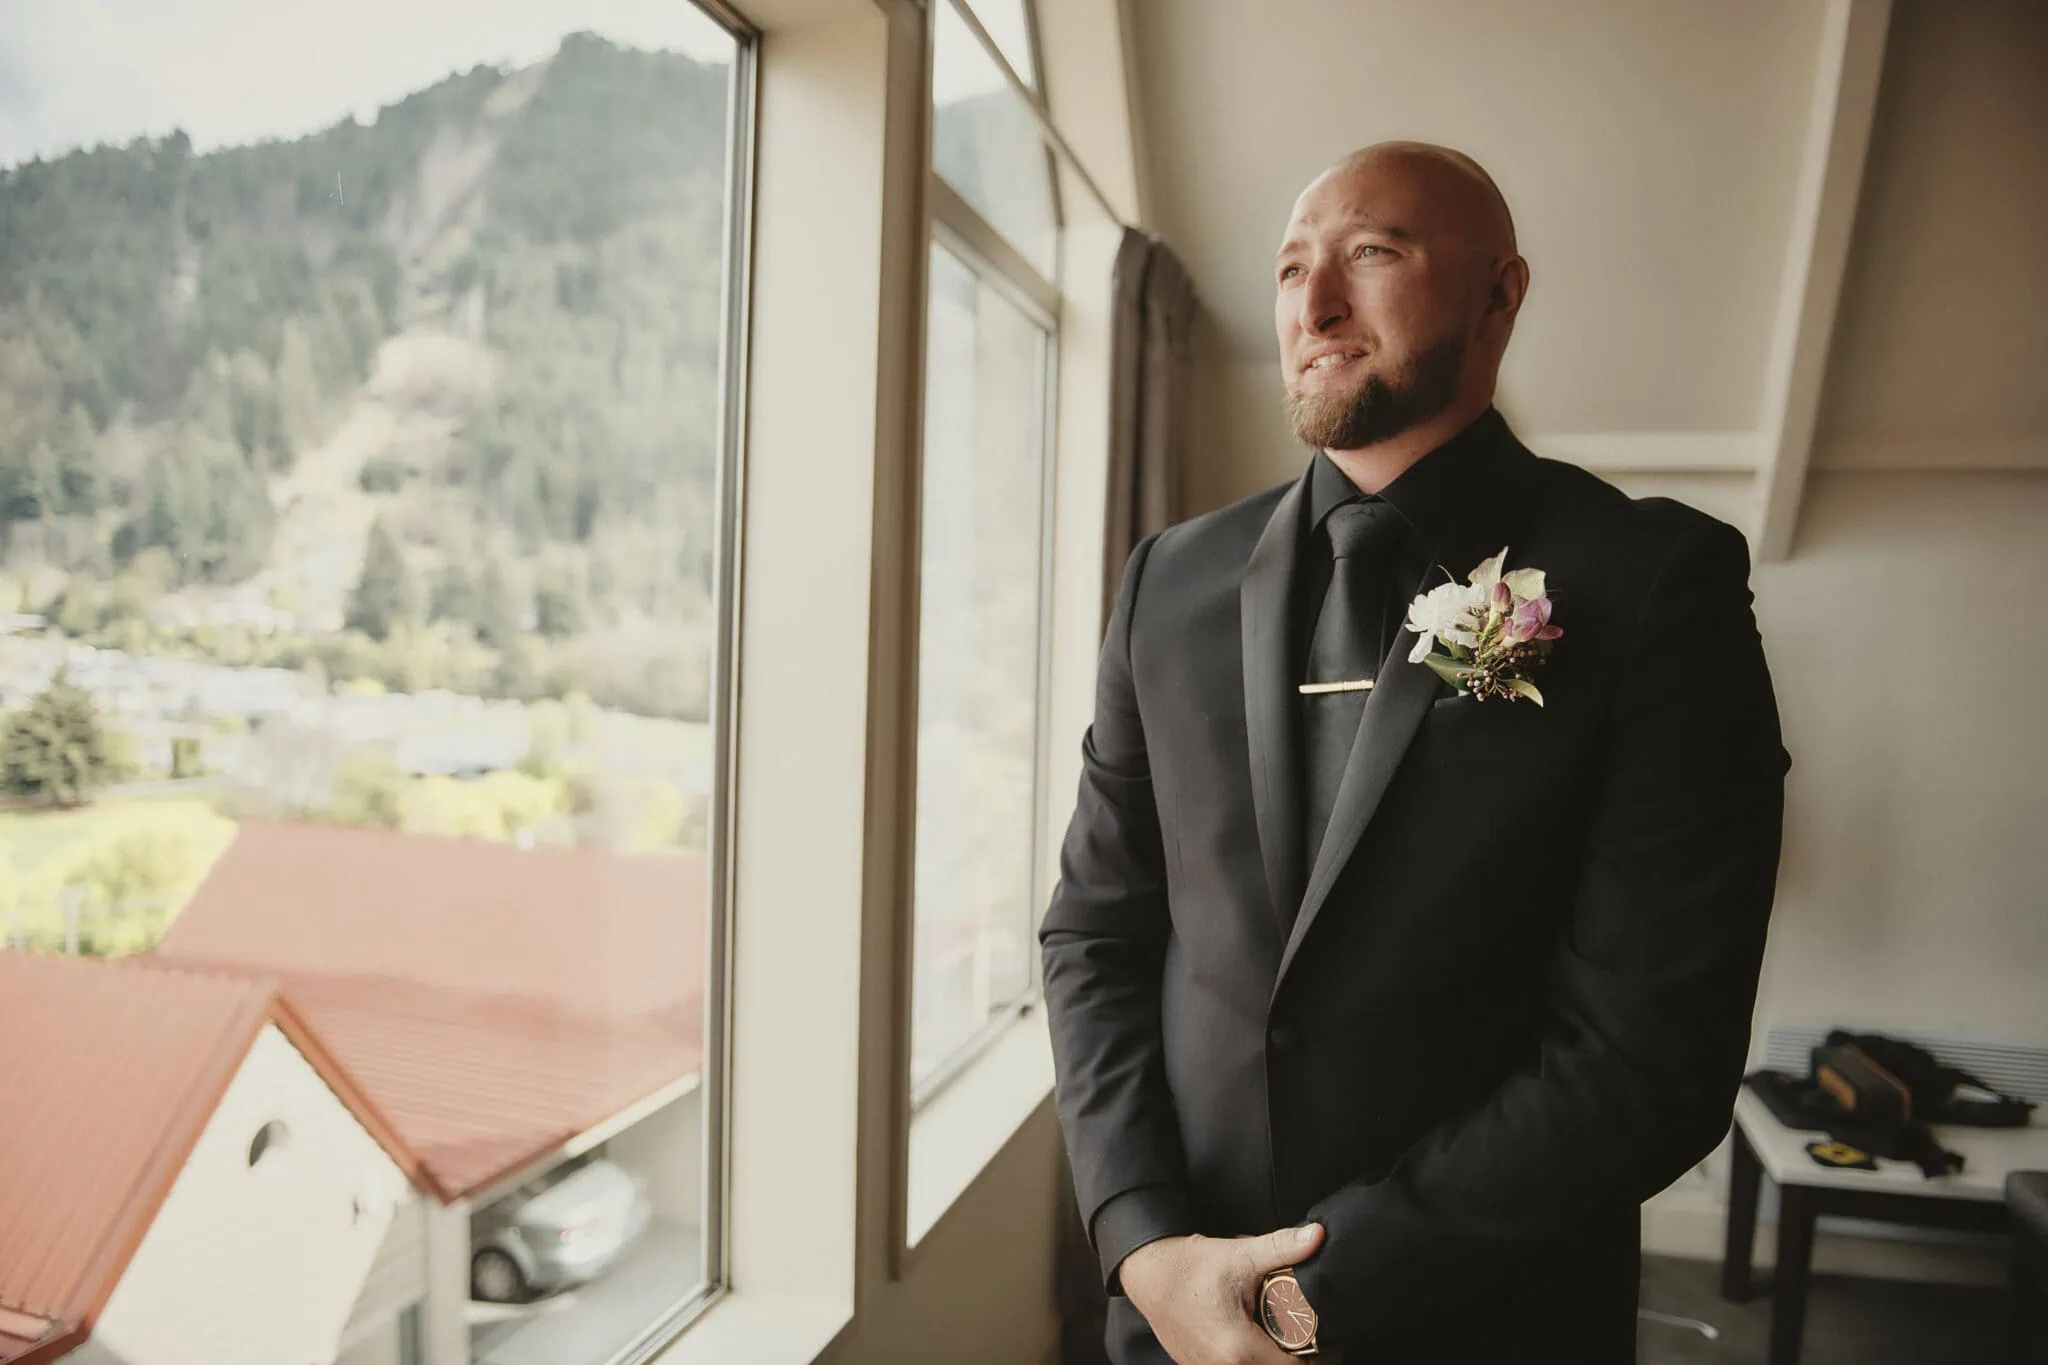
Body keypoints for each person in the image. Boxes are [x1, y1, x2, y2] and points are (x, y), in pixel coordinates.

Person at [1040, 142, 1790, 1364]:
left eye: (1370, 254)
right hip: (1173, 1316)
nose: (1311, 304)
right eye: (1290, 268)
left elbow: (1648, 1053)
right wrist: (1142, 1243)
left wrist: (1298, 1297)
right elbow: (1096, 933)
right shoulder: (1166, 582)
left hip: (1485, 1321)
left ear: (1500, 294)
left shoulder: (1651, 585)